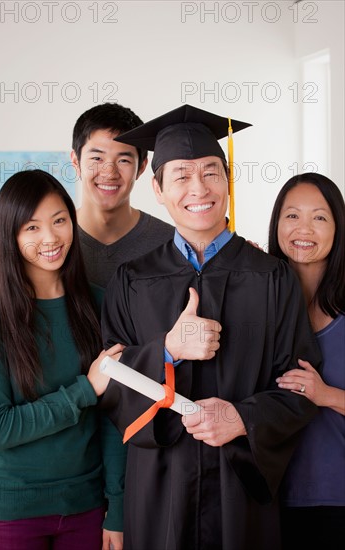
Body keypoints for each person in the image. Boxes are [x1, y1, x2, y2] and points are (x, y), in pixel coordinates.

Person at [97, 104, 323, 550]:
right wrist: (165, 349)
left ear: (227, 180)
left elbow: (300, 387)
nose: (197, 188)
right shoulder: (132, 280)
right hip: (160, 488)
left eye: (210, 172)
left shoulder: (271, 276)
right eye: (180, 176)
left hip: (241, 488)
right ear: (158, 190)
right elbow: (110, 384)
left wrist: (243, 418)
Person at [0, 170, 124, 550]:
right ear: (11, 236)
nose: (50, 238)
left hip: (85, 507)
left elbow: (114, 419)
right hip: (9, 509)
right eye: (31, 227)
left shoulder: (101, 304)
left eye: (59, 221)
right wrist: (84, 390)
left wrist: (119, 507)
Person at [0, 102, 174, 296]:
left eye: (123, 160)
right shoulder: (50, 247)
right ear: (76, 162)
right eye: (97, 159)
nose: (109, 172)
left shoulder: (170, 244)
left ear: (141, 167)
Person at [268, 173, 345, 549]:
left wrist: (326, 394)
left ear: (337, 228)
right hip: (267, 496)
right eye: (292, 215)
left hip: (337, 496)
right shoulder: (254, 302)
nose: (304, 228)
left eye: (319, 217)